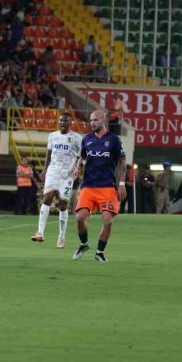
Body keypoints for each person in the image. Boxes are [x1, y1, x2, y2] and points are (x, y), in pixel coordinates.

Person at [73, 110, 126, 263]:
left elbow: (122, 161)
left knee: (108, 221)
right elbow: (82, 157)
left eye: (95, 120)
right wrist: (78, 167)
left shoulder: (114, 140)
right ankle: (84, 244)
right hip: (88, 186)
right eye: (91, 120)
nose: (92, 123)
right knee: (79, 218)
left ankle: (99, 252)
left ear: (103, 120)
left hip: (107, 187)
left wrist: (121, 183)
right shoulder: (87, 139)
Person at [31, 112, 81, 249]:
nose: (62, 123)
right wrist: (45, 170)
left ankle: (61, 236)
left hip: (67, 175)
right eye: (60, 121)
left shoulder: (76, 138)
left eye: (65, 121)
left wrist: (78, 168)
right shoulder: (52, 136)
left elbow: (81, 156)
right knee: (47, 198)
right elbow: (49, 153)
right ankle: (40, 232)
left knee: (63, 205)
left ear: (70, 123)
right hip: (53, 172)